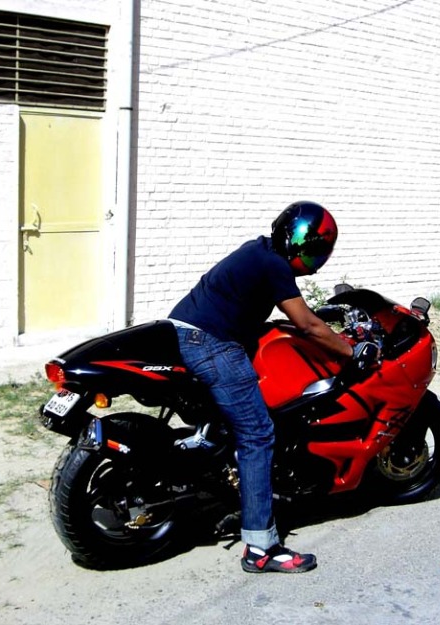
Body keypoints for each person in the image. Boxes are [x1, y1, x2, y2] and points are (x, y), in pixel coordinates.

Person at [169, 201, 365, 574]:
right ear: (299, 243)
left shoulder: (257, 251)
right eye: (314, 251)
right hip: (211, 343)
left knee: (235, 416)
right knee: (257, 433)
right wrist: (349, 351)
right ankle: (261, 548)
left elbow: (268, 306)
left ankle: (210, 454)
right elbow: (307, 325)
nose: (315, 259)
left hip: (184, 331)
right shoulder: (274, 264)